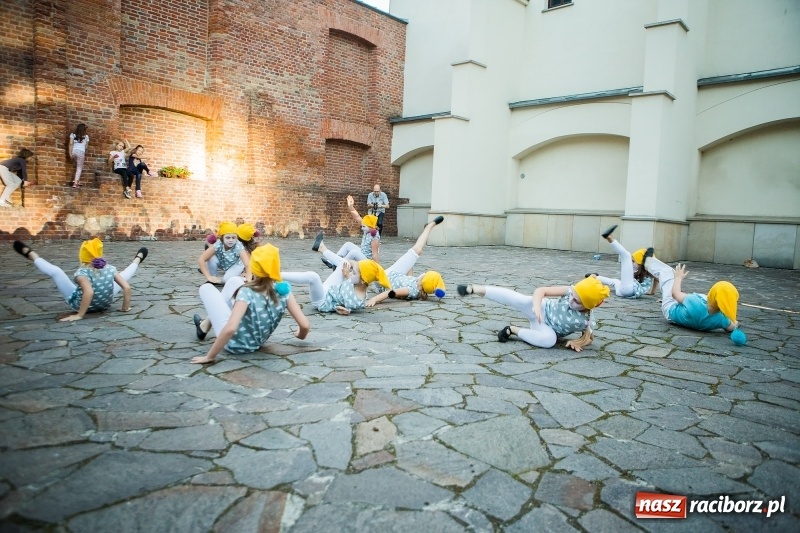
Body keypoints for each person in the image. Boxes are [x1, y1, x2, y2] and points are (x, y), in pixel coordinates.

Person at [191, 244, 310, 364]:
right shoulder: (284, 291)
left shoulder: (247, 292)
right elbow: (305, 325)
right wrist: (300, 335)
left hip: (233, 344)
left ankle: (205, 325)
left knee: (206, 288)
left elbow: (230, 328)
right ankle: (205, 325)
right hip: (256, 343)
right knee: (234, 281)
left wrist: (210, 357)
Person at [456, 275, 610, 352]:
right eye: (572, 296)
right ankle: (476, 289)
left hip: (543, 328)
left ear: (588, 306)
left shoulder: (586, 319)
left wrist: (578, 342)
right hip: (541, 309)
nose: (571, 300)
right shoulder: (571, 291)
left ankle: (513, 330)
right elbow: (541, 291)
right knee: (519, 300)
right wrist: (536, 305)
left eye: (577, 302)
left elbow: (589, 337)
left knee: (550, 341)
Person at [11, 238, 147, 322]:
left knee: (57, 272)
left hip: (83, 305)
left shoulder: (81, 273)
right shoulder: (110, 268)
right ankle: (137, 259)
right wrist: (125, 308)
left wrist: (80, 315)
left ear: (82, 257)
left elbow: (89, 292)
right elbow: (127, 288)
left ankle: (32, 255)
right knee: (124, 275)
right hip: (105, 304)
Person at [644, 256, 746, 345]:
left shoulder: (695, 301)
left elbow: (675, 294)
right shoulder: (722, 319)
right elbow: (732, 327)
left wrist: (678, 278)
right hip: (689, 315)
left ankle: (645, 260)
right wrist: (734, 321)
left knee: (668, 274)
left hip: (670, 309)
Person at [282, 232, 391, 315]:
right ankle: (322, 248)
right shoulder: (357, 283)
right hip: (329, 289)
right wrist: (349, 273)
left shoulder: (356, 300)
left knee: (313, 276)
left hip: (322, 300)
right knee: (345, 263)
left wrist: (342, 310)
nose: (351, 273)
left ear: (363, 280)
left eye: (354, 272)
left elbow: (344, 306)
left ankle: (277, 275)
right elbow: (351, 280)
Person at [364, 216, 447, 307]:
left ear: (424, 280)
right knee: (417, 250)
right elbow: (407, 279)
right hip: (395, 274)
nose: (424, 273)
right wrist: (409, 263)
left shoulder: (411, 290)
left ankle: (428, 227)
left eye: (425, 274)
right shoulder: (416, 283)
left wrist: (375, 299)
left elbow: (391, 293)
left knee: (362, 260)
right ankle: (429, 226)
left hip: (384, 280)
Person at [595, 225, 658, 298]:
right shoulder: (640, 271)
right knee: (615, 281)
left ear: (641, 263)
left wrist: (653, 292)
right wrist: (652, 292)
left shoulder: (650, 272)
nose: (631, 263)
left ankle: (609, 237)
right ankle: (594, 277)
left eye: (633, 261)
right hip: (622, 291)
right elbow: (656, 279)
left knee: (626, 255)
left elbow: (659, 279)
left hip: (629, 289)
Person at [320, 195, 380, 268]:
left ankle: (340, 264)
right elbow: (357, 216)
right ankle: (332, 261)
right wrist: (351, 206)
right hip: (362, 253)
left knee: (353, 253)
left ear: (371, 227)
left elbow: (375, 253)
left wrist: (377, 268)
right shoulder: (367, 228)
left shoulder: (374, 236)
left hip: (368, 260)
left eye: (363, 227)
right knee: (348, 245)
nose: (362, 228)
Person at [69, 123, 89, 188]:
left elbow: (71, 144)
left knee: (76, 165)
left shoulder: (72, 135)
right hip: (81, 152)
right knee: (79, 168)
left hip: (74, 151)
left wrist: (70, 153)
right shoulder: (86, 137)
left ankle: (76, 180)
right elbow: (86, 147)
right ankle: (75, 183)